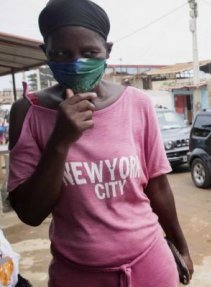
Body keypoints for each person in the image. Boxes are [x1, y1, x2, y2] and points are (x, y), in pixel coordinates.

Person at [7, 1, 193, 286]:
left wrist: (181, 247)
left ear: (108, 50)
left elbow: (158, 186)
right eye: (61, 54)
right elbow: (30, 214)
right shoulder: (28, 112)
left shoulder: (137, 104)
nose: (77, 62)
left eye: (90, 53)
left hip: (150, 264)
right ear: (46, 53)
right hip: (77, 275)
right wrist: (60, 141)